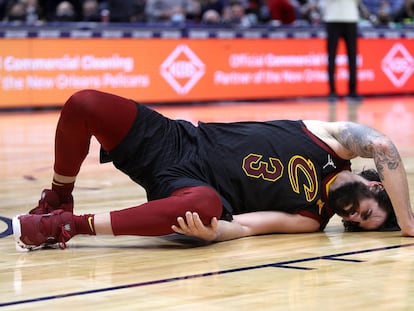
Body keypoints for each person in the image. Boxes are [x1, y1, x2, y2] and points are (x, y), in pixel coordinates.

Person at [12, 89, 413, 251]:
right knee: (85, 103)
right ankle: (58, 196)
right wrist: (407, 221)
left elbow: (245, 226)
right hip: (177, 140)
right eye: (366, 211)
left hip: (190, 187)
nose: (352, 215)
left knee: (205, 206)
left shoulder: (310, 219)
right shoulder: (334, 139)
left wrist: (213, 231)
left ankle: (66, 226)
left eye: (357, 223)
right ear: (377, 184)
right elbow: (381, 145)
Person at [321, 0, 364, 103]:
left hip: (350, 18)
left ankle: (352, 91)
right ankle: (332, 91)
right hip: (333, 18)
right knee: (332, 56)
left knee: (352, 56)